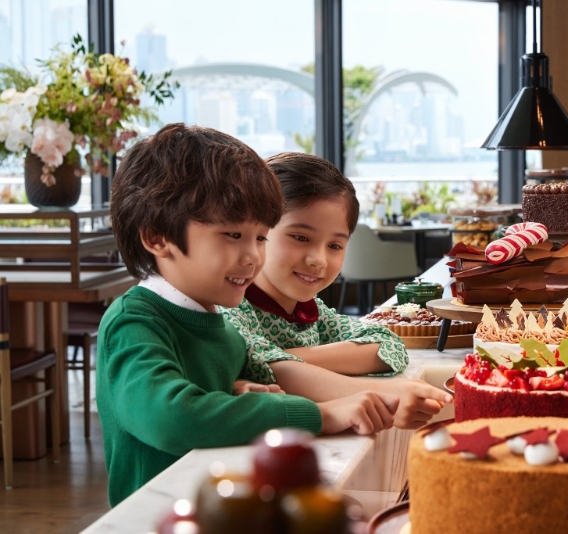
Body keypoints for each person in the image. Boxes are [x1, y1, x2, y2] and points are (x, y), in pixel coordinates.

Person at [97, 124, 399, 507]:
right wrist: (319, 415)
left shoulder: (221, 322)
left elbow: (212, 391)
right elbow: (172, 417)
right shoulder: (136, 321)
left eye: (260, 237)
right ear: (157, 237)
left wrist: (238, 388)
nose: (254, 256)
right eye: (232, 236)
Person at [222, 152, 451, 429]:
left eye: (334, 246)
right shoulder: (231, 305)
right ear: (256, 231)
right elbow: (269, 368)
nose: (318, 259)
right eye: (301, 237)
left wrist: (290, 355)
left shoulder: (311, 311)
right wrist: (385, 394)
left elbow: (389, 346)